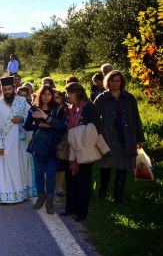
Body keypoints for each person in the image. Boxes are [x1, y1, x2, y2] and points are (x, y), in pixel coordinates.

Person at [94, 70, 145, 203]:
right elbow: (94, 118)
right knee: (106, 165)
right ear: (108, 82)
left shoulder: (129, 98)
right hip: (108, 137)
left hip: (126, 137)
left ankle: (118, 196)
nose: (115, 83)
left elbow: (136, 118)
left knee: (123, 166)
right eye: (112, 81)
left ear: (121, 82)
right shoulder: (102, 98)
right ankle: (103, 192)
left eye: (117, 81)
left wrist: (139, 138)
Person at [61, 83, 105, 221]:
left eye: (69, 93)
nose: (67, 96)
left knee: (83, 182)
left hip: (85, 150)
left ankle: (82, 212)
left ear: (77, 93)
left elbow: (97, 127)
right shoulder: (71, 108)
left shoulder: (89, 107)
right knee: (70, 179)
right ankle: (70, 208)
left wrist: (80, 135)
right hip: (71, 149)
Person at [0, 77, 31, 203]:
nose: (7, 92)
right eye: (5, 89)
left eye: (9, 89)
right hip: (4, 144)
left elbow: (31, 115)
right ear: (2, 89)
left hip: (20, 143)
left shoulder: (22, 102)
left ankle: (20, 194)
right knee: (5, 169)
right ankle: (5, 195)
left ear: (14, 88)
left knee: (19, 168)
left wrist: (22, 119)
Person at [24, 85, 67, 214]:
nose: (46, 96)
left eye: (49, 94)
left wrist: (48, 125)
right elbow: (27, 126)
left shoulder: (59, 109)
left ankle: (49, 201)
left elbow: (62, 127)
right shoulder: (34, 108)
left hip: (53, 147)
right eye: (44, 94)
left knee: (51, 174)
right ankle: (40, 197)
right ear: (40, 95)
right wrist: (37, 125)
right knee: (38, 174)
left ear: (52, 96)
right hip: (38, 146)